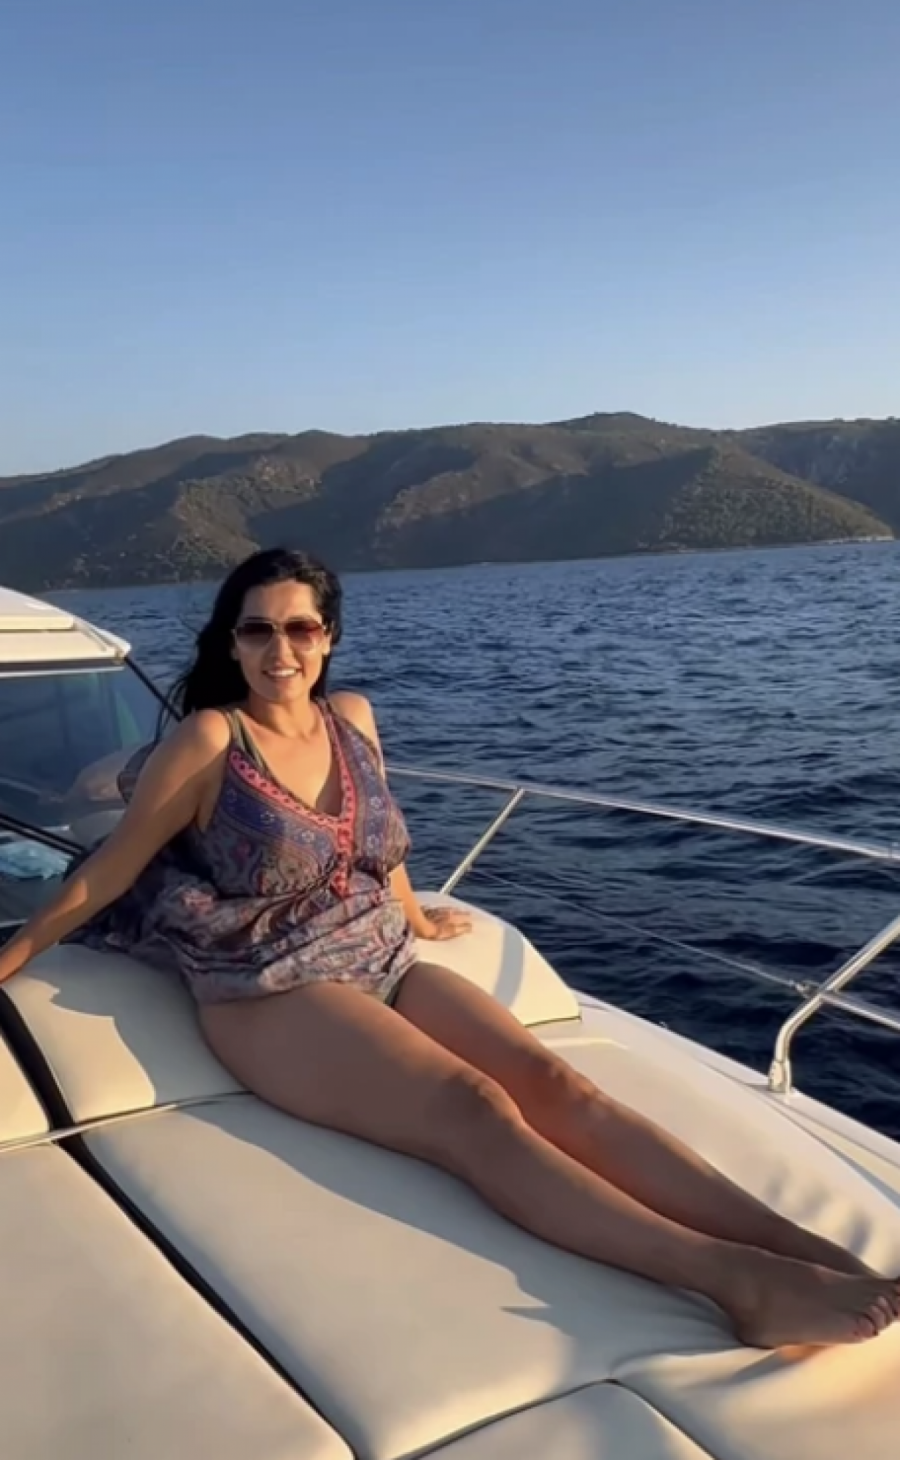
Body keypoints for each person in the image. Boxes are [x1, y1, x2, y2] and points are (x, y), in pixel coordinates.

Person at [0, 546, 897, 1351]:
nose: (281, 650)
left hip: (380, 952)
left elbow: (378, 842)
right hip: (270, 983)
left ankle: (804, 1249)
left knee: (560, 1085)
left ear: (329, 636)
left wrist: (417, 919)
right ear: (231, 643)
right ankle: (738, 1282)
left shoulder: (352, 718)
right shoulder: (211, 740)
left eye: (301, 628)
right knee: (474, 1108)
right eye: (258, 629)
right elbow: (110, 870)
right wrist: (15, 954)